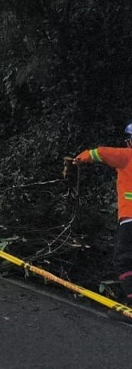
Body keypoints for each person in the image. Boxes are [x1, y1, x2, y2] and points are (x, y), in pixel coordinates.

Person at [69, 123, 132, 304]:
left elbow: (101, 153)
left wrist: (79, 159)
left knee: (124, 260)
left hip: (130, 218)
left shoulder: (127, 156)